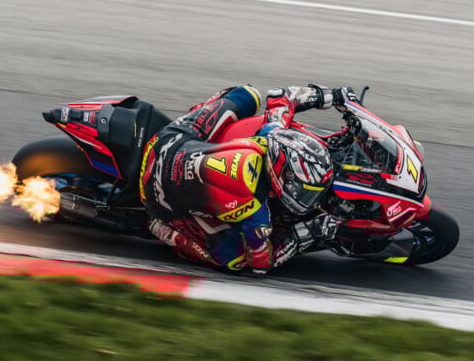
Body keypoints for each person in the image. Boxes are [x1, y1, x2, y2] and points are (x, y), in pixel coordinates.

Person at [139, 84, 359, 274]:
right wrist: (310, 232)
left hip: (167, 142)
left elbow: (280, 95)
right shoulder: (256, 213)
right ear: (283, 175)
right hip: (157, 198)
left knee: (247, 94)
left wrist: (332, 96)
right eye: (306, 190)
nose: (312, 197)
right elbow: (261, 264)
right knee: (236, 261)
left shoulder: (271, 135)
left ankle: (201, 115)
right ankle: (167, 231)